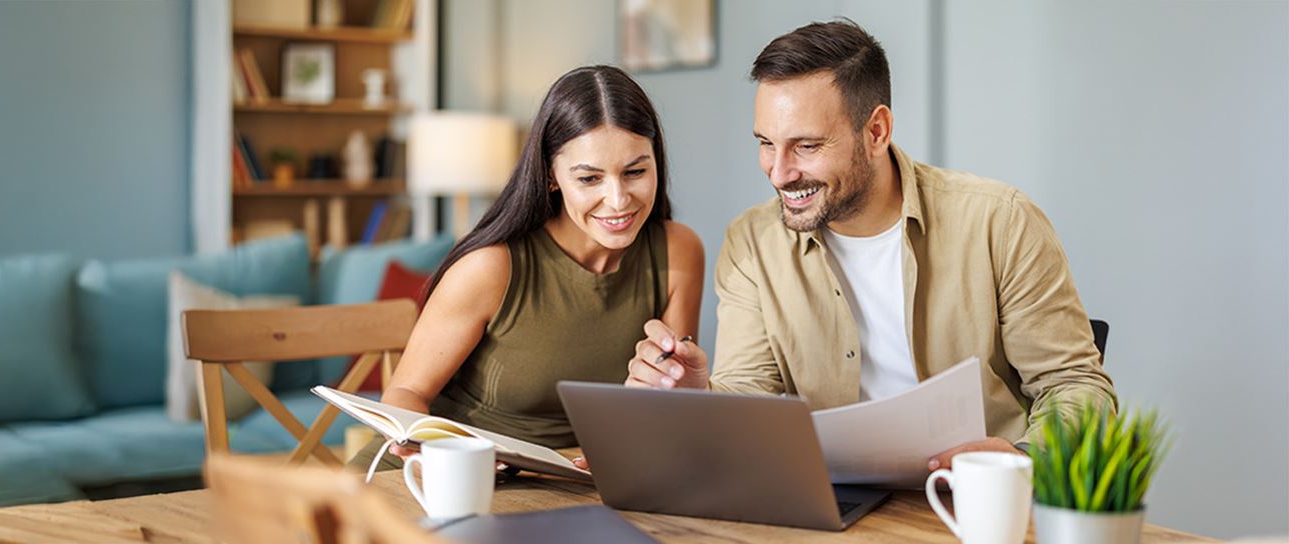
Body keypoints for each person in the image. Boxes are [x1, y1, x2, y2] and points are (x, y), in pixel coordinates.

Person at [624, 20, 1116, 470]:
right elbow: (750, 391)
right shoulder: (752, 243)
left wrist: (1020, 458)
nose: (778, 172)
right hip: (833, 503)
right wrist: (698, 396)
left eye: (807, 146)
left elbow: (1074, 385)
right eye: (766, 142)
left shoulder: (1000, 221)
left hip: (979, 502)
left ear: (876, 131)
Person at [354, 65, 705, 470]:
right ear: (552, 176)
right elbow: (405, 394)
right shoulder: (490, 267)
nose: (618, 199)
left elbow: (668, 401)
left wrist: (627, 442)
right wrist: (434, 449)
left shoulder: (678, 251)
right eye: (589, 179)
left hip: (569, 484)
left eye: (636, 172)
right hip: (443, 475)